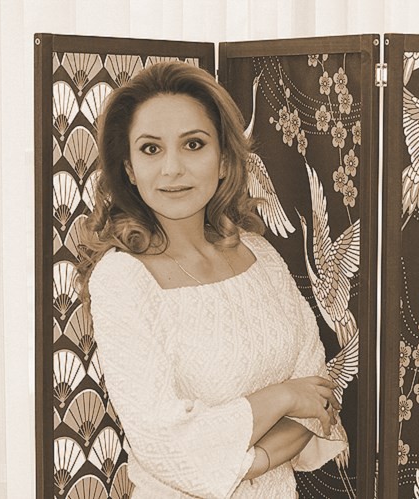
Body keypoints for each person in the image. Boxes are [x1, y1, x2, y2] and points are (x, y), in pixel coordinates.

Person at [76, 61, 347, 499]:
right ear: (128, 168)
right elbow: (164, 444)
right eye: (151, 149)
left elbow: (317, 397)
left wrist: (233, 455)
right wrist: (279, 399)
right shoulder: (123, 279)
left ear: (223, 160)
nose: (172, 168)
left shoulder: (259, 255)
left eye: (193, 144)